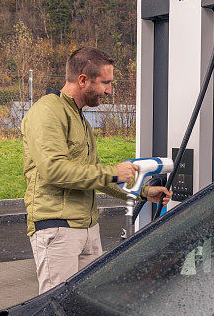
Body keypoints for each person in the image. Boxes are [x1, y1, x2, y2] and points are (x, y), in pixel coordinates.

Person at [21, 46, 171, 294]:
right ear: (82, 80)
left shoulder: (78, 117)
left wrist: (144, 193)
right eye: (105, 82)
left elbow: (94, 177)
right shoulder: (47, 111)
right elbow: (53, 170)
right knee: (57, 308)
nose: (109, 90)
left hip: (87, 228)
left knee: (89, 304)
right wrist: (113, 172)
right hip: (58, 229)